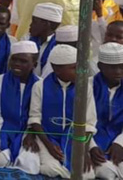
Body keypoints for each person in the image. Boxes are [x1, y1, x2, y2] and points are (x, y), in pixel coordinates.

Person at [26, 44, 98, 178]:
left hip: (75, 139)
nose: (79, 71)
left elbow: (89, 123)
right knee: (50, 169)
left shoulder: (84, 87)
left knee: (88, 175)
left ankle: (66, 171)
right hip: (47, 137)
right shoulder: (40, 86)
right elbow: (35, 118)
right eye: (74, 67)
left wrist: (83, 152)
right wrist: (49, 146)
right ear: (57, 69)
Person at [0, 41, 40, 172]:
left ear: (34, 64)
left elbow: (38, 116)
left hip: (28, 131)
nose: (17, 64)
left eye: (23, 61)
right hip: (4, 128)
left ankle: (15, 155)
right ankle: (9, 154)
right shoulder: (0, 80)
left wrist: (31, 133)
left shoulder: (40, 84)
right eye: (14, 59)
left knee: (30, 165)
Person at [90, 42, 123, 179]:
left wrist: (120, 143)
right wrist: (91, 147)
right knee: (106, 172)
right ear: (100, 67)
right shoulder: (87, 86)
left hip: (119, 140)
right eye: (112, 67)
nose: (118, 72)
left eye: (122, 67)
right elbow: (80, 122)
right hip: (92, 142)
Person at [24, 3, 63, 75]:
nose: (30, 25)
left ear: (46, 24)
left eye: (34, 22)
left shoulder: (57, 46)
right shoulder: (26, 39)